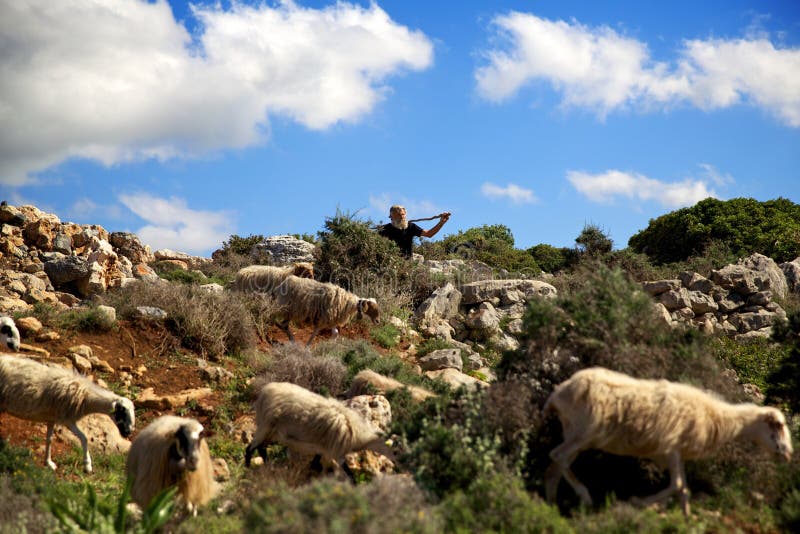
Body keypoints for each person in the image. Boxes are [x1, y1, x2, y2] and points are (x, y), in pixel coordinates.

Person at [378, 205, 451, 258]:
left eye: (403, 214)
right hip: (389, 263)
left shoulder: (411, 227)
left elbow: (429, 234)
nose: (401, 217)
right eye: (398, 215)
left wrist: (441, 223)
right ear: (391, 217)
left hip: (407, 265)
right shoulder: (384, 229)